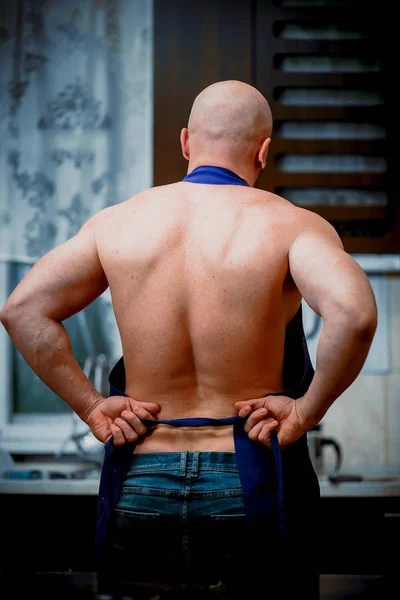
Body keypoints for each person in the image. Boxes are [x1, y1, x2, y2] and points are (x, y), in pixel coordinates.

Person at [0, 80, 377, 599]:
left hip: (141, 480)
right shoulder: (292, 226)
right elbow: (354, 315)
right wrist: (306, 412)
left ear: (185, 142)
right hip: (247, 481)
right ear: (263, 151)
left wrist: (92, 408)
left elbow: (22, 309)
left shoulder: (117, 222)